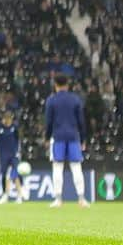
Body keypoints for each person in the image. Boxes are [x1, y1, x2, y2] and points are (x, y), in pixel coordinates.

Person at [45, 74, 89, 208]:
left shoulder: (51, 100)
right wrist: (83, 138)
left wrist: (47, 138)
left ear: (55, 85)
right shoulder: (75, 99)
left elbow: (48, 121)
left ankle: (58, 199)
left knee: (57, 168)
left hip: (58, 137)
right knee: (76, 167)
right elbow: (81, 121)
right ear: (67, 84)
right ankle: (81, 199)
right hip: (73, 137)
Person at [0, 112, 23, 204]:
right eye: (7, 119)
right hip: (2, 155)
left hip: (14, 155)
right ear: (3, 119)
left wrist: (18, 152)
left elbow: (18, 140)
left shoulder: (14, 127)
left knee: (15, 174)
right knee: (4, 175)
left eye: (10, 119)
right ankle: (5, 195)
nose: (8, 121)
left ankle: (19, 196)